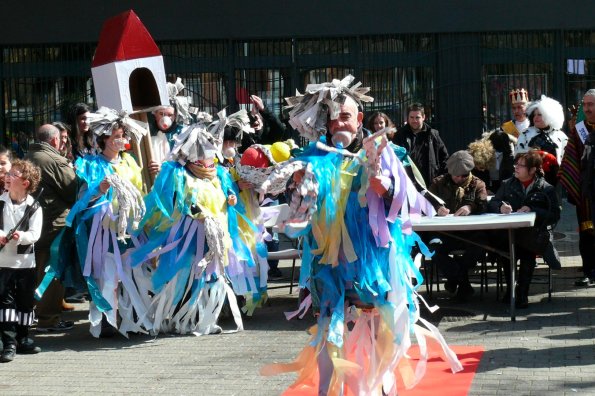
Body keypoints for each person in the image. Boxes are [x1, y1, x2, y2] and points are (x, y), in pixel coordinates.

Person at [260, 75, 461, 394]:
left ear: (359, 119)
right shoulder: (311, 159)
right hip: (328, 266)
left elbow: (405, 200)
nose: (339, 122)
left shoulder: (383, 151)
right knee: (329, 328)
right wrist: (297, 187)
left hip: (374, 265)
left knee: (378, 328)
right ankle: (328, 390)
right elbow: (298, 215)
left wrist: (387, 188)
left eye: (346, 116)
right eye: (333, 117)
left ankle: (377, 387)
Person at [39, 108, 152, 337]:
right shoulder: (90, 164)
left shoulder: (130, 162)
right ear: (103, 140)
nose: (121, 140)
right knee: (107, 275)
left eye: (123, 136)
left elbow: (139, 192)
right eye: (115, 136)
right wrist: (99, 190)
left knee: (133, 271)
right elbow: (82, 198)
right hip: (103, 230)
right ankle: (108, 320)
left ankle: (134, 319)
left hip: (129, 228)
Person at [488, 150, 560, 308]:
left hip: (533, 236)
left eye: (521, 165)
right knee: (507, 251)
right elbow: (492, 202)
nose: (516, 168)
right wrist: (501, 207)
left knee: (527, 252)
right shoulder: (507, 184)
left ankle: (522, 293)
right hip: (509, 234)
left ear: (533, 170)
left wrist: (533, 210)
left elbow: (554, 214)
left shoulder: (545, 188)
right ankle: (511, 290)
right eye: (516, 164)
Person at [24, 124, 77, 332]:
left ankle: (46, 310)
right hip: (53, 223)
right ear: (54, 140)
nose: (63, 143)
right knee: (51, 271)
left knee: (40, 268)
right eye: (61, 139)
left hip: (36, 223)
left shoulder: (29, 156)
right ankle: (48, 318)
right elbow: (73, 190)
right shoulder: (53, 160)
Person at [427, 150, 488, 301]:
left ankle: (455, 280)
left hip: (470, 234)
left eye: (463, 175)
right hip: (445, 233)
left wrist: (470, 207)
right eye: (455, 175)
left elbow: (484, 204)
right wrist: (436, 208)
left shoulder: (478, 184)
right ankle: (463, 284)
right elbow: (425, 201)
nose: (458, 178)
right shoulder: (438, 183)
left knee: (478, 249)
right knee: (433, 249)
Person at [0, 159, 43, 362]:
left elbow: (35, 234)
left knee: (25, 302)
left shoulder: (34, 207)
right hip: (3, 263)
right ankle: (9, 342)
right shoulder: (1, 202)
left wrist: (21, 237)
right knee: (5, 303)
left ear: (25, 182)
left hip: (25, 263)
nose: (8, 176)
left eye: (13, 174)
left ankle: (23, 338)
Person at [560, 90, 595, 286]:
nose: (587, 109)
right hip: (587, 193)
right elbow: (570, 158)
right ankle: (589, 272)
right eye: (585, 104)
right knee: (587, 232)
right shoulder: (579, 130)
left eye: (591, 104)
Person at [394, 102, 449, 186]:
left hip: (430, 182)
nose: (414, 120)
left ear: (423, 117)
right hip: (409, 182)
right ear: (407, 118)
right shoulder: (400, 135)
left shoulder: (433, 134)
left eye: (417, 117)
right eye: (411, 117)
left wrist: (440, 177)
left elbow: (444, 157)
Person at [148, 78, 193, 175]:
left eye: (169, 115)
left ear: (175, 115)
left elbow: (187, 163)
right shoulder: (147, 132)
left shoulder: (183, 134)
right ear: (154, 114)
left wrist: (164, 168)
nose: (166, 118)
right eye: (161, 114)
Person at [516, 95, 568, 165]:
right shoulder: (525, 133)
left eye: (539, 115)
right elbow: (518, 156)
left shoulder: (561, 136)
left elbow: (566, 160)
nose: (536, 117)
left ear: (549, 115)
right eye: (534, 115)